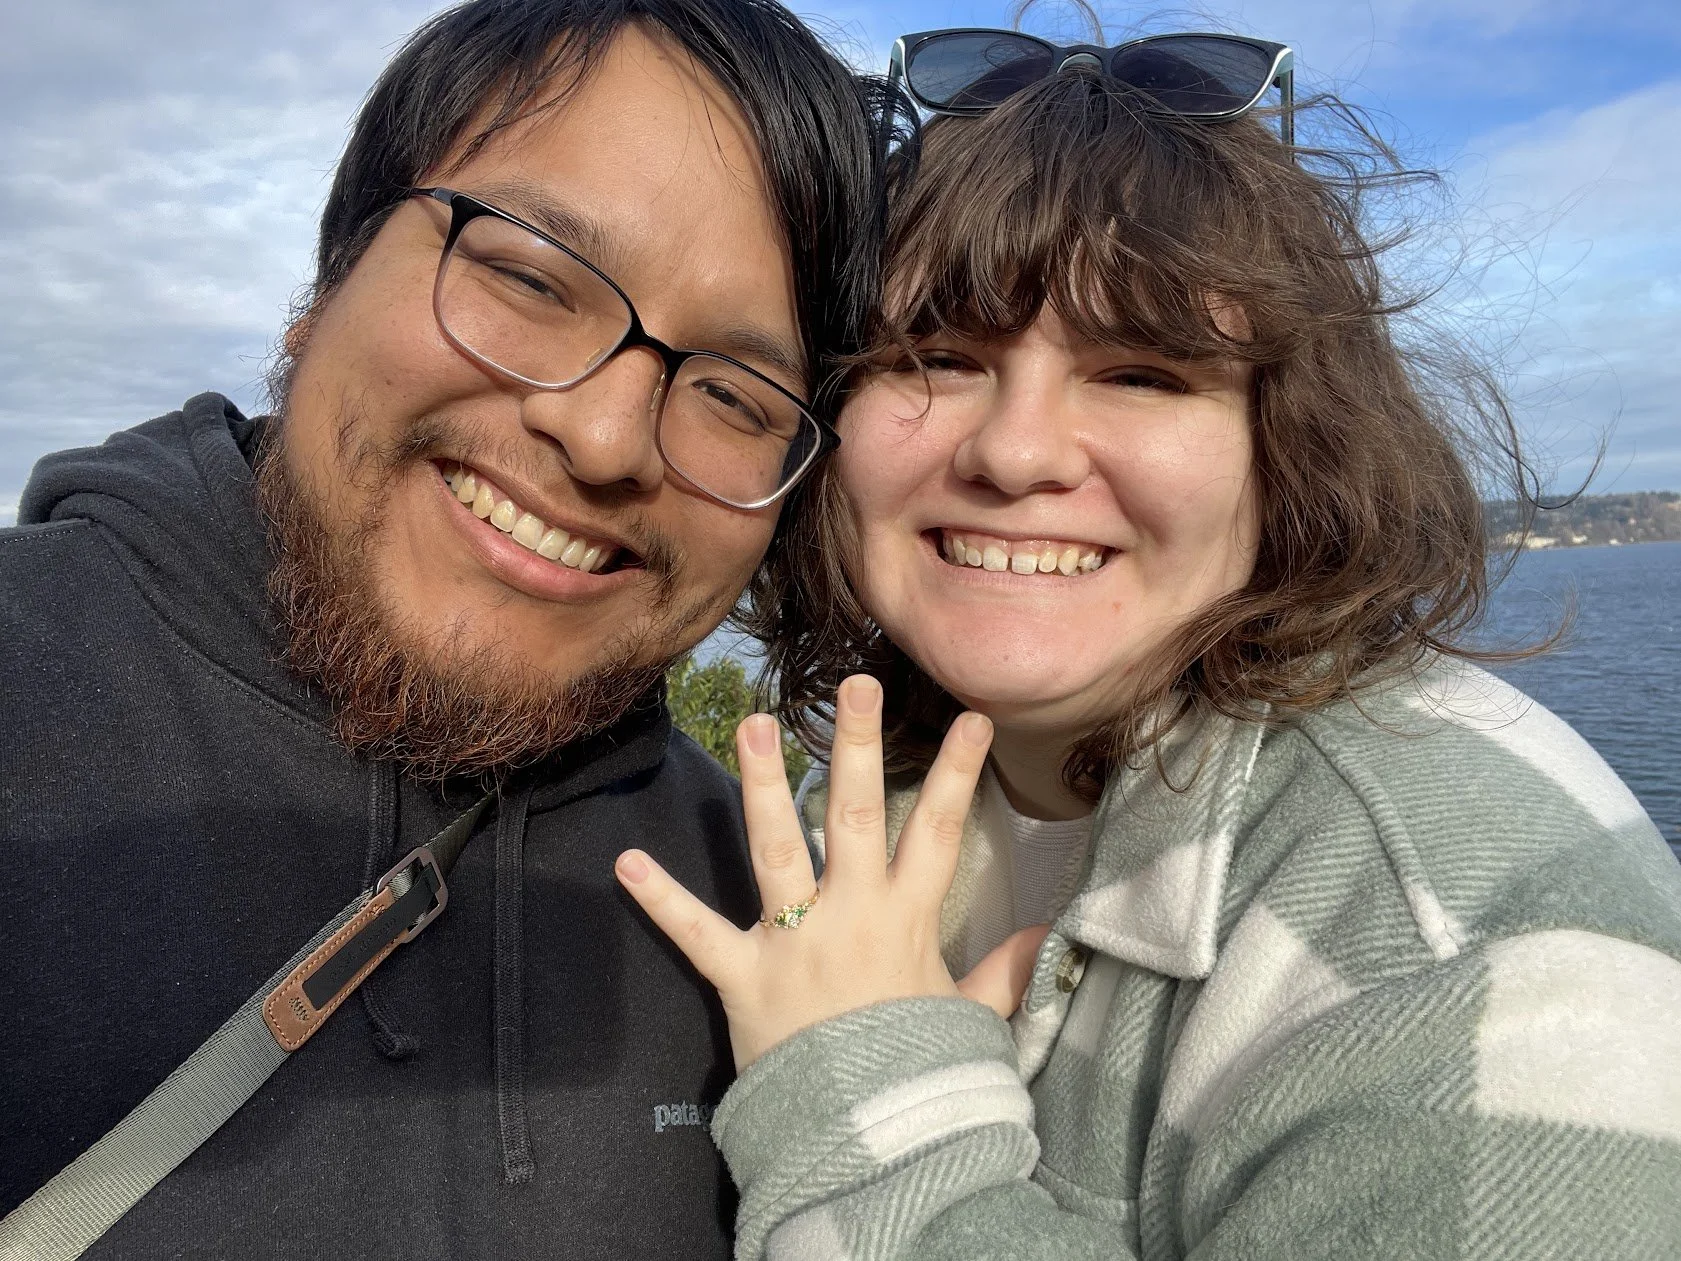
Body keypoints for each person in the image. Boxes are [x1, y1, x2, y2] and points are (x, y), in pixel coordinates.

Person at [615, 27, 1681, 1259]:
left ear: (1286, 449)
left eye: (1140, 373)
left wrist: (862, 1097)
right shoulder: (879, 787)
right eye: (937, 357)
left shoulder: (1475, 951)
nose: (1015, 451)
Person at [0, 1, 881, 1256]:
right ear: (328, 279)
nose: (606, 438)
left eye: (735, 397)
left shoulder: (762, 906)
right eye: (529, 277)